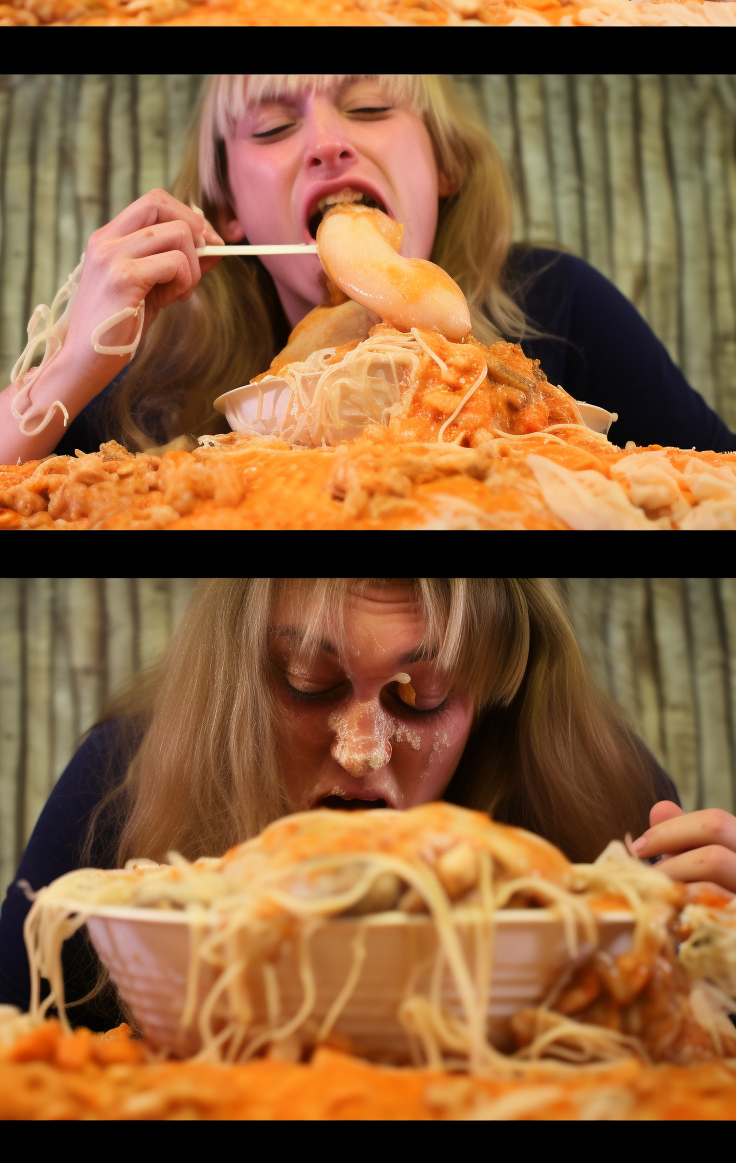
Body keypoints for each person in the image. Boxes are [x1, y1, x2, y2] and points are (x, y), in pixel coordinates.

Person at [5, 575, 733, 1032]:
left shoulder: (608, 796)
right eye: (308, 681)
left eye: (423, 699)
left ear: (491, 702)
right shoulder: (117, 784)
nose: (363, 751)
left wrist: (714, 961)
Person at [1, 74, 734, 465]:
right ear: (227, 212)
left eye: (372, 104)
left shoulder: (561, 310)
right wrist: (72, 361)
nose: (326, 142)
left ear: (445, 163)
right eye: (274, 126)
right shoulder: (147, 373)